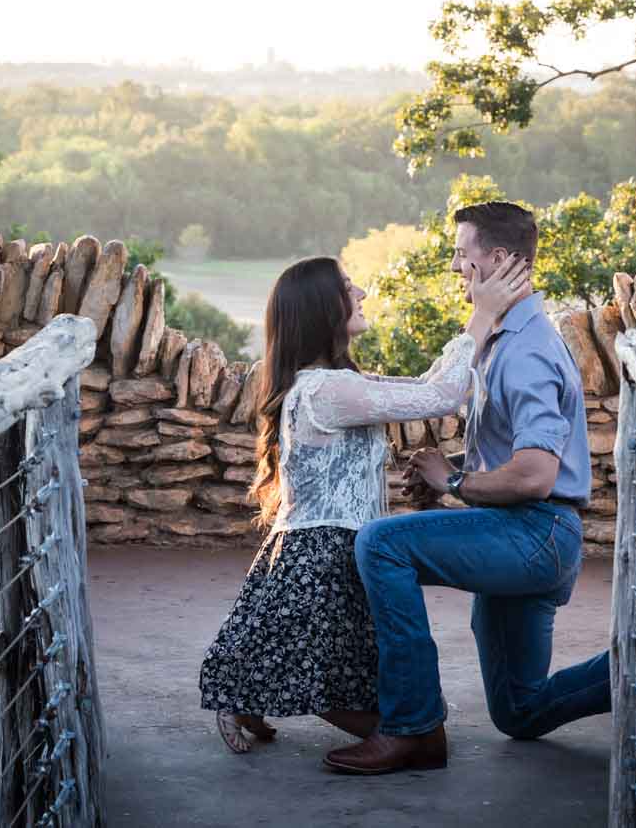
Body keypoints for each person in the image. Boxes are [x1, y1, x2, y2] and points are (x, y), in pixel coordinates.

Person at [198, 251, 531, 753]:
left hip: (337, 546)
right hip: (321, 554)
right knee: (332, 680)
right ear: (319, 309)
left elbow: (428, 388)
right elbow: (440, 397)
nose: (361, 294)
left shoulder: (339, 384)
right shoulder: (326, 391)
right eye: (348, 286)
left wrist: (480, 318)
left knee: (340, 667)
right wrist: (482, 314)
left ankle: (250, 696)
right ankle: (256, 697)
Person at [324, 201, 610, 776]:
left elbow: (534, 474)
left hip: (534, 533)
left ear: (499, 260)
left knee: (381, 544)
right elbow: (514, 453)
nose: (456, 267)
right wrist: (453, 468)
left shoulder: (527, 350)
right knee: (520, 712)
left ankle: (412, 728)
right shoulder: (505, 339)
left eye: (462, 254)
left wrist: (455, 482)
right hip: (526, 533)